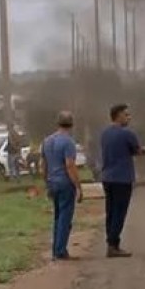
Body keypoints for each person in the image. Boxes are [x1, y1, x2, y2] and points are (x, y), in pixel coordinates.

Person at [101, 104, 145, 258]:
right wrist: (143, 150)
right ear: (118, 116)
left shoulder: (104, 133)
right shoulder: (127, 134)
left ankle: (110, 242)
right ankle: (113, 245)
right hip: (122, 178)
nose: (129, 117)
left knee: (110, 211)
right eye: (126, 115)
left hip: (107, 177)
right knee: (120, 212)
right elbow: (137, 150)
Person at [41, 111, 83, 261]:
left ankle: (56, 249)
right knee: (65, 217)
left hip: (52, 181)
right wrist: (78, 186)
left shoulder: (47, 141)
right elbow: (70, 165)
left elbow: (43, 165)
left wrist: (46, 182)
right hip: (65, 182)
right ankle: (60, 250)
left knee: (57, 217)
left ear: (57, 123)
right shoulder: (68, 142)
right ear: (71, 124)